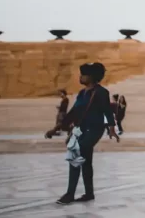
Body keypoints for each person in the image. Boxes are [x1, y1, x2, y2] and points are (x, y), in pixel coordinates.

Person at [44, 63, 120, 205]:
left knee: (76, 155)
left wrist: (111, 128)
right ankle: (89, 193)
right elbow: (74, 112)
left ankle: (70, 194)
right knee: (86, 160)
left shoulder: (101, 92)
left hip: (95, 129)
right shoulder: (82, 93)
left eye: (83, 74)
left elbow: (107, 111)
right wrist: (56, 128)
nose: (80, 77)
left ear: (91, 77)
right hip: (82, 129)